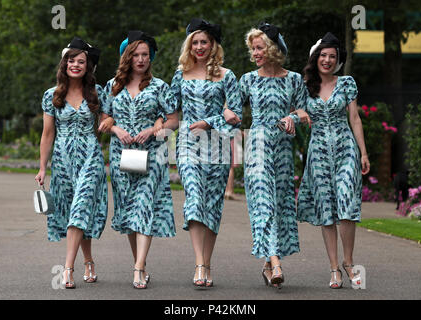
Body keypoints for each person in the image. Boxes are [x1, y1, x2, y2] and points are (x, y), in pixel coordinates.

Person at [166, 18, 242, 287]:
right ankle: (199, 263)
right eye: (195, 42)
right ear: (189, 45)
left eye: (204, 42)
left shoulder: (227, 75)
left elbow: (238, 115)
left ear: (213, 45)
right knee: (195, 199)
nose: (199, 47)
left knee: (212, 205)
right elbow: (170, 113)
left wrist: (211, 120)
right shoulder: (180, 75)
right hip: (188, 144)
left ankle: (207, 263)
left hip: (218, 145)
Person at [101, 31, 178, 289]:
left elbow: (173, 120)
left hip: (152, 155)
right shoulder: (113, 86)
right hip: (122, 155)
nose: (141, 59)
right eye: (136, 54)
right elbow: (103, 120)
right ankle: (140, 264)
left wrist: (155, 130)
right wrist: (116, 129)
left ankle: (138, 267)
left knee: (145, 206)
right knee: (129, 211)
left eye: (145, 54)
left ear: (150, 57)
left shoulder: (160, 86)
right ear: (127, 56)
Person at [35, 37, 112, 289]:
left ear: (87, 66)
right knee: (73, 213)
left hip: (90, 156)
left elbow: (108, 119)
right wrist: (42, 167)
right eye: (71, 60)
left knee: (80, 209)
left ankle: (68, 268)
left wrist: (108, 122)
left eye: (81, 61)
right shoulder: (52, 95)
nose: (75, 65)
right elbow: (47, 134)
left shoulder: (98, 92)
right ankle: (89, 260)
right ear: (64, 63)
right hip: (63, 161)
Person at [238, 23, 310, 289]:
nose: (255, 53)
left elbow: (304, 112)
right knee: (263, 204)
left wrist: (292, 117)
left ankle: (269, 264)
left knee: (278, 206)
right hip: (257, 147)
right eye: (253, 48)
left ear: (272, 49)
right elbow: (231, 110)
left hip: (282, 150)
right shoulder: (247, 79)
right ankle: (277, 263)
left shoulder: (293, 79)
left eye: (260, 47)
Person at [297, 32, 370, 289]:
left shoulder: (347, 83)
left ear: (337, 61)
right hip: (317, 153)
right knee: (326, 209)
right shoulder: (305, 86)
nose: (327, 60)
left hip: (345, 149)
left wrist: (363, 152)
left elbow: (355, 119)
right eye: (323, 55)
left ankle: (349, 262)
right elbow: (296, 110)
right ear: (315, 58)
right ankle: (334, 268)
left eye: (332, 57)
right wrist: (299, 112)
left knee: (347, 202)